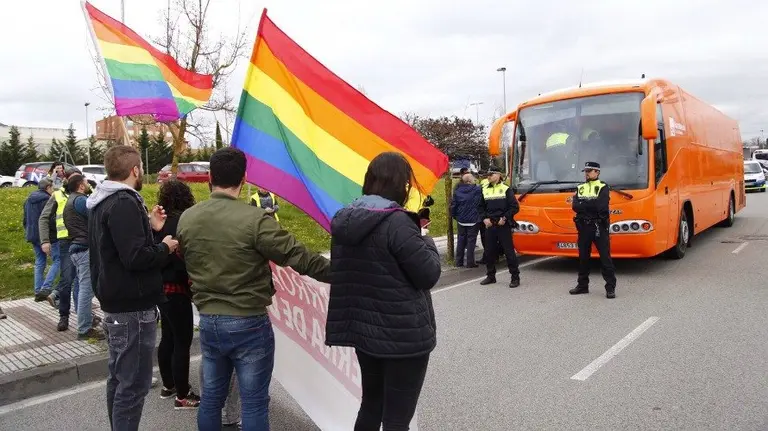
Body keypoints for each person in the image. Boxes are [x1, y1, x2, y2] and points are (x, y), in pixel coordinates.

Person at [176, 147, 330, 431]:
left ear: (209, 177)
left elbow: (187, 256)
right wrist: (342, 273)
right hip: (249, 322)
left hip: (209, 320)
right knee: (255, 402)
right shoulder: (255, 221)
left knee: (211, 399)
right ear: (244, 178)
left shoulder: (187, 218)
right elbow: (299, 257)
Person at [325, 152, 442, 430]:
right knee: (396, 419)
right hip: (403, 337)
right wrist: (425, 239)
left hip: (365, 333)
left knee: (371, 403)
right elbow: (428, 274)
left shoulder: (345, 219)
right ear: (400, 184)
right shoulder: (398, 222)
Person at [87, 145, 178, 431]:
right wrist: (164, 247)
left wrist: (150, 227)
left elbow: (116, 249)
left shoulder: (102, 200)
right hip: (132, 307)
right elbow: (135, 257)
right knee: (133, 385)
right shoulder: (124, 202)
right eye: (140, 169)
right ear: (135, 170)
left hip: (117, 302)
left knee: (119, 379)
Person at [154, 180, 200, 409]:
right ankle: (183, 395)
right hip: (178, 288)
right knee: (183, 342)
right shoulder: (185, 222)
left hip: (161, 289)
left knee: (168, 338)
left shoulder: (158, 223)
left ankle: (168, 385)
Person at [62, 173, 104, 340]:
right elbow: (96, 216)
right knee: (87, 289)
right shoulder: (80, 200)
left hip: (76, 248)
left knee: (81, 287)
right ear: (80, 185)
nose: (87, 184)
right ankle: (84, 328)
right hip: (84, 248)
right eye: (86, 182)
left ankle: (85, 322)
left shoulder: (70, 200)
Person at [39, 168, 81, 328]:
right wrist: (44, 240)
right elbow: (43, 218)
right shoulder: (57, 195)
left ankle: (82, 315)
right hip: (65, 242)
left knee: (82, 281)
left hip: (83, 241)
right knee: (67, 278)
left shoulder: (85, 192)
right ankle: (64, 315)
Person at [569, 161, 616, 299]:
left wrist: (585, 205)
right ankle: (582, 285)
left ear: (597, 172)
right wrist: (589, 205)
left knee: (605, 258)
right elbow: (575, 206)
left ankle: (610, 287)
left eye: (590, 171)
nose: (587, 173)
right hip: (584, 227)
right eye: (586, 171)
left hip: (598, 227)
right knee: (583, 257)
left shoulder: (603, 187)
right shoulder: (580, 187)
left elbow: (600, 207)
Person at [479, 165, 521, 288]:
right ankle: (491, 276)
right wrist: (484, 218)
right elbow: (480, 207)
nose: (489, 176)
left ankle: (515, 277)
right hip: (490, 224)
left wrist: (505, 218)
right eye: (488, 175)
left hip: (503, 224)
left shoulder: (506, 189)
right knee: (489, 252)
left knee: (509, 252)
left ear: (498, 175)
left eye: (491, 174)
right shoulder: (484, 189)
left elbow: (514, 207)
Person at [24, 178, 60, 302]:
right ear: (48, 188)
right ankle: (46, 287)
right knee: (58, 259)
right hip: (47, 235)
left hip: (32, 234)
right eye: (52, 187)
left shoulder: (28, 199)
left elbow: (25, 219)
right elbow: (49, 220)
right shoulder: (46, 199)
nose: (53, 190)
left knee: (40, 261)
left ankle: (37, 289)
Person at [451, 173, 482, 268]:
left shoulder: (457, 191)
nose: (475, 180)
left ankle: (459, 262)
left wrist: (455, 216)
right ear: (469, 181)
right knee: (471, 241)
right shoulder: (477, 190)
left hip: (461, 220)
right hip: (473, 220)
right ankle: (470, 262)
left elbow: (453, 206)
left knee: (461, 240)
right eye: (473, 179)